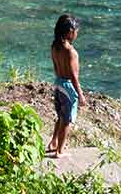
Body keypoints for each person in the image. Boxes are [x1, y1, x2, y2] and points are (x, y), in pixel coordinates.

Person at [48, 13, 86, 158]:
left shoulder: (55, 46)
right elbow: (74, 76)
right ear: (70, 31)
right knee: (66, 120)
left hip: (58, 83)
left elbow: (56, 67)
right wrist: (81, 95)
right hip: (68, 87)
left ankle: (53, 142)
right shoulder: (71, 51)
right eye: (76, 31)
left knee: (60, 116)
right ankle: (60, 151)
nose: (77, 33)